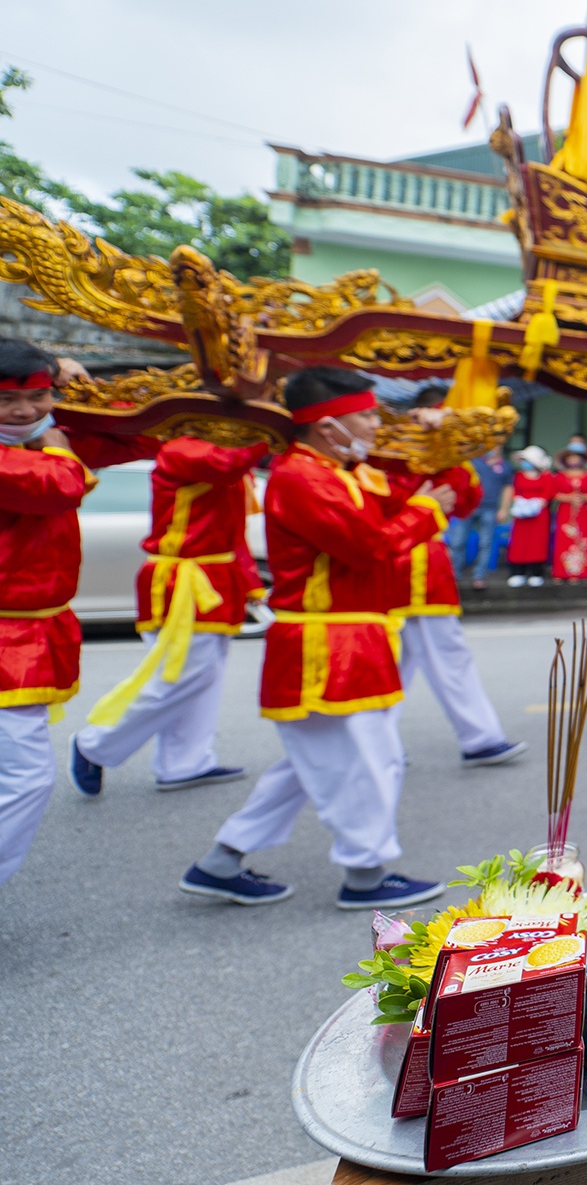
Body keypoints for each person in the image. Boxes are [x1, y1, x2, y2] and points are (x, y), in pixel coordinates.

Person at [181, 367, 455, 908]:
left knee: (316, 764)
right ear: (329, 426)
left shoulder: (338, 470)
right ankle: (365, 874)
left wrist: (439, 455)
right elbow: (368, 545)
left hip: (347, 639)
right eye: (369, 414)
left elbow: (417, 499)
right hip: (327, 645)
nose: (378, 424)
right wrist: (427, 512)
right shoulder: (303, 478)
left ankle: (222, 859)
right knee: (369, 760)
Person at [0, 342, 159, 889]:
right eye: (8, 400)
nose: (24, 412)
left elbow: (136, 437)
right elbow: (58, 485)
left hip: (31, 630)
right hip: (7, 637)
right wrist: (56, 437)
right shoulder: (43, 449)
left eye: (37, 396)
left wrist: (79, 397)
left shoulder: (45, 436)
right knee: (24, 779)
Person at [70, 435, 269, 797]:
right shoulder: (182, 448)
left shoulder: (220, 455)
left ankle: (185, 763)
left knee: (206, 676)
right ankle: (95, 743)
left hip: (214, 575)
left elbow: (233, 532)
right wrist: (269, 430)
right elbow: (227, 464)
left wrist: (251, 584)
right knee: (180, 674)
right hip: (182, 578)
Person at [373, 445, 523, 769]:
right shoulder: (388, 456)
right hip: (407, 564)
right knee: (441, 658)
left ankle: (379, 745)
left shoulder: (445, 461)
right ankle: (479, 738)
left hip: (422, 565)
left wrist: (453, 456)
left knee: (400, 663)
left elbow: (466, 503)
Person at [456, 442, 511, 586]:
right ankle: (454, 576)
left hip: (490, 508)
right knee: (458, 541)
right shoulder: (474, 462)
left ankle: (479, 576)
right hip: (468, 507)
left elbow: (508, 488)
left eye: (495, 445)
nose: (492, 448)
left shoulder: (505, 466)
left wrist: (504, 509)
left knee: (486, 543)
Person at [499, 446, 552, 586]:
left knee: (537, 543)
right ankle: (518, 572)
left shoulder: (546, 476)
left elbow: (548, 493)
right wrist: (520, 503)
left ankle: (536, 572)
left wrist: (537, 504)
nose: (524, 463)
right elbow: (514, 491)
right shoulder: (518, 476)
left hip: (539, 515)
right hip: (521, 515)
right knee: (519, 543)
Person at [549, 443, 587, 582]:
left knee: (581, 540)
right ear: (565, 459)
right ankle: (560, 572)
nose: (573, 460)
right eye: (571, 457)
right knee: (562, 540)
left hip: (582, 512)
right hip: (565, 511)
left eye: (576, 457)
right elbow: (552, 493)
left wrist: (583, 498)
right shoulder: (560, 476)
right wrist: (568, 498)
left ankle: (577, 573)